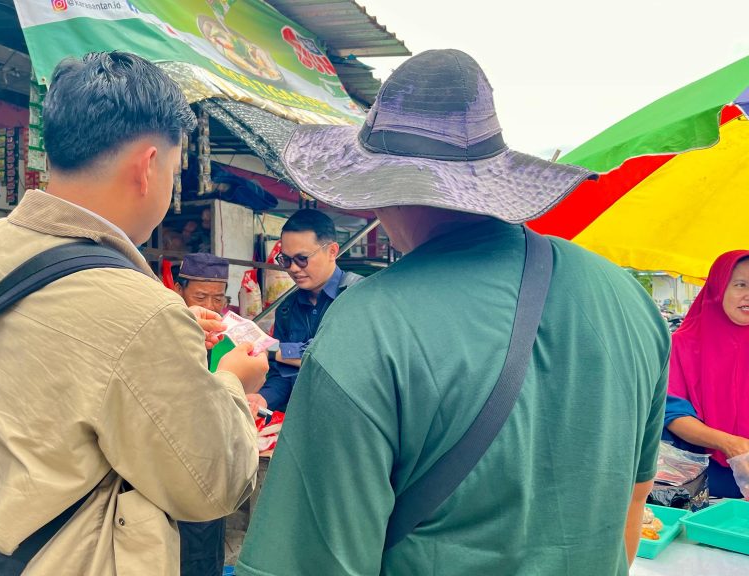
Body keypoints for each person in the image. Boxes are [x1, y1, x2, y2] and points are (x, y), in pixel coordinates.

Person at [238, 49, 670, 576]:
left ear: (377, 189)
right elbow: (632, 505)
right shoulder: (628, 301)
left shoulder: (368, 323)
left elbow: (313, 560)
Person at [0, 52, 267, 576]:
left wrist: (172, 337)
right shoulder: (139, 312)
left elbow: (63, 350)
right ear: (148, 168)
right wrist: (232, 383)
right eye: (173, 169)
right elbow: (213, 485)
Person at [247, 209, 361, 415]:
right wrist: (263, 398)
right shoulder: (287, 309)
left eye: (302, 258)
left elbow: (329, 354)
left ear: (332, 251)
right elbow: (283, 375)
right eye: (286, 260)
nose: (293, 268)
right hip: (303, 420)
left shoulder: (357, 297)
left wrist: (272, 349)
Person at [664, 250, 749, 498]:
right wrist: (730, 443)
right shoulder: (682, 344)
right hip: (703, 477)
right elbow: (673, 413)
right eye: (740, 284)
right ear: (717, 288)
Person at [170, 252, 232, 576]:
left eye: (218, 297)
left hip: (214, 458)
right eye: (201, 296)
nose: (211, 304)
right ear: (180, 291)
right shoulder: (166, 331)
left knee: (208, 546)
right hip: (174, 458)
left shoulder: (232, 333)